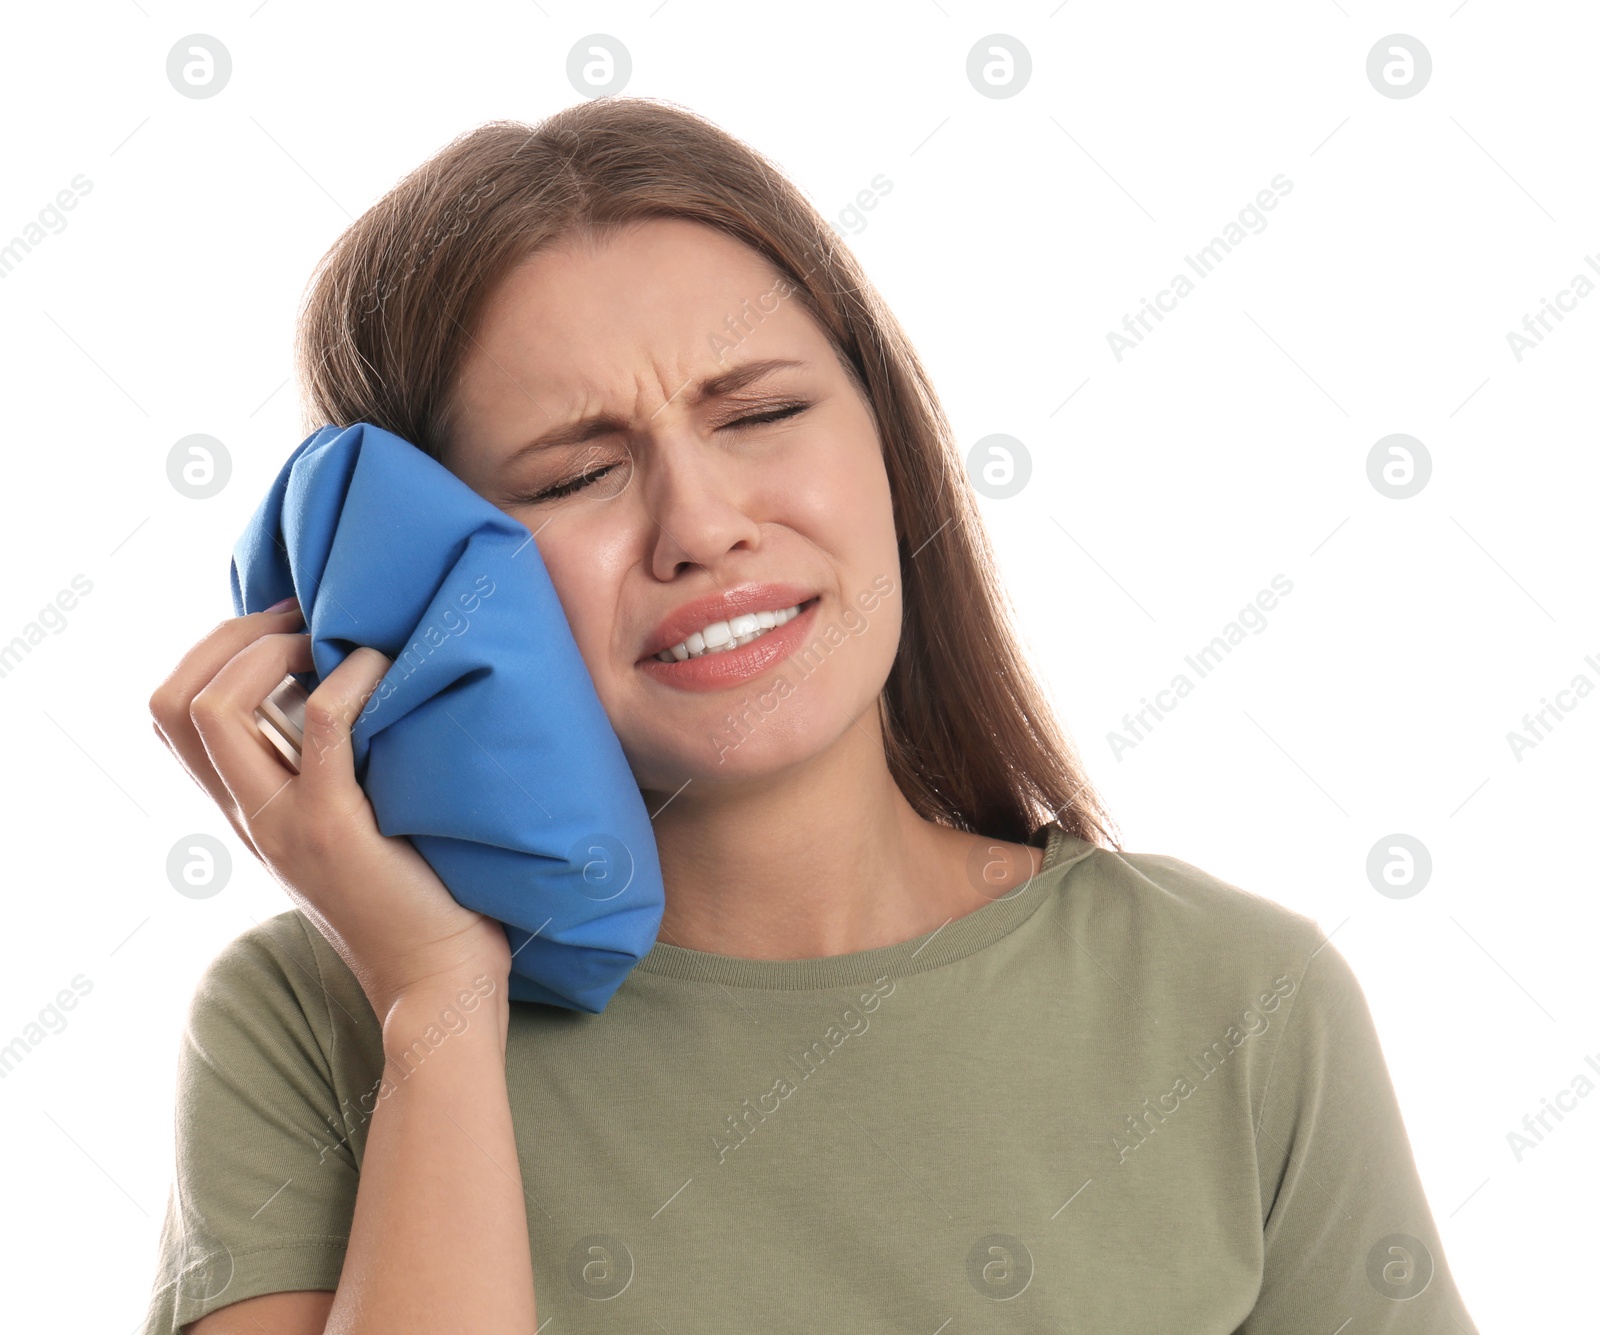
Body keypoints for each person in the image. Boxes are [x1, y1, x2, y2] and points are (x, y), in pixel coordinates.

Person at [141, 97, 1479, 1333]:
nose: (704, 527)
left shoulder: (1235, 1001)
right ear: (424, 568)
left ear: (887, 443)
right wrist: (436, 1007)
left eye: (766, 411)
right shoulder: (312, 1026)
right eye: (579, 473)